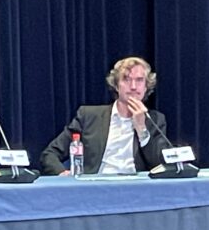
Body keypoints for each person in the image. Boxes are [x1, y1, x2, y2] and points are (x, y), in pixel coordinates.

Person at [40, 56, 169, 175]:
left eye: (139, 80)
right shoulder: (88, 116)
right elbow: (50, 154)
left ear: (146, 87)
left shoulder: (156, 120)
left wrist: (142, 130)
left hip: (136, 188)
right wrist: (62, 173)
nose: (133, 87)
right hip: (96, 185)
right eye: (126, 79)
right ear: (116, 85)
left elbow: (161, 166)